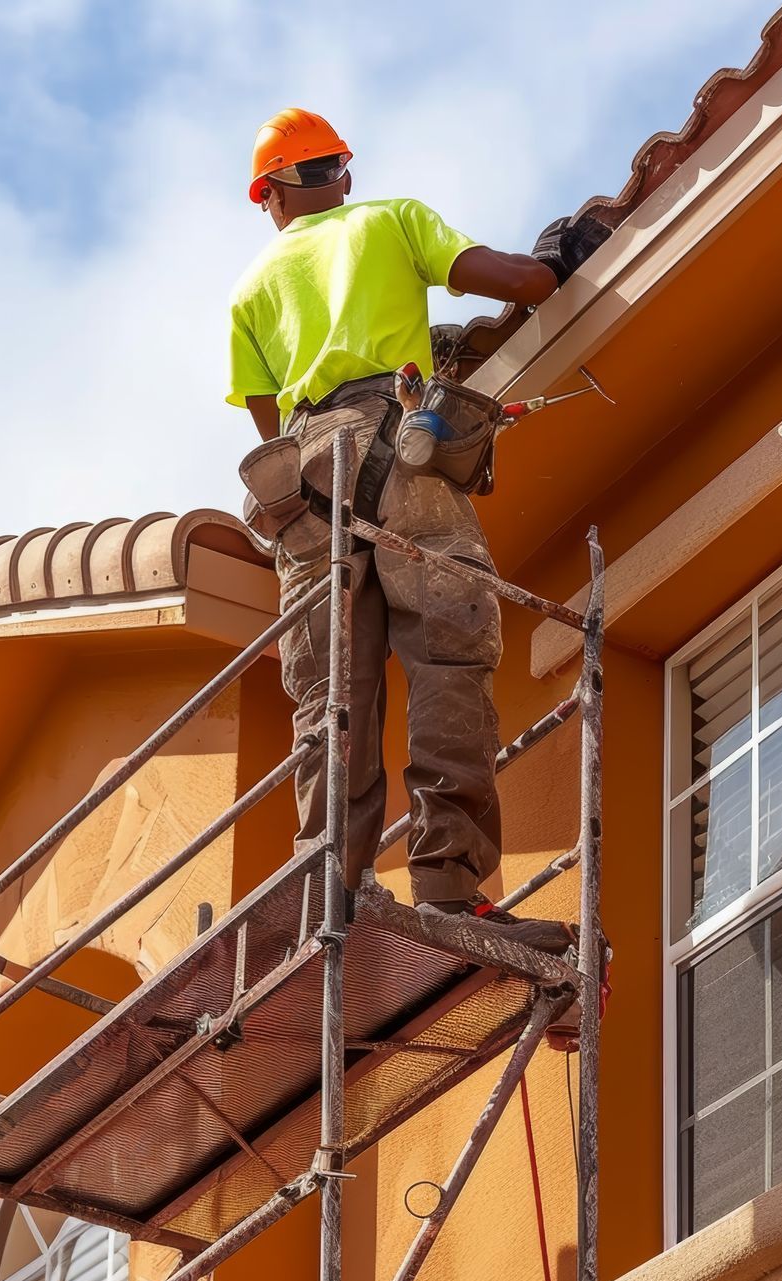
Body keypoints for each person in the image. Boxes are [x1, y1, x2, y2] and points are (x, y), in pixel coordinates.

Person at [227, 107, 601, 952]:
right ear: (342, 177)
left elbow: (267, 422)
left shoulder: (250, 291)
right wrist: (554, 257)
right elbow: (524, 286)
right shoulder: (390, 219)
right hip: (403, 450)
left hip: (304, 485)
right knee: (447, 654)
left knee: (331, 699)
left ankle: (332, 898)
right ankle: (446, 884)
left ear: (270, 197)